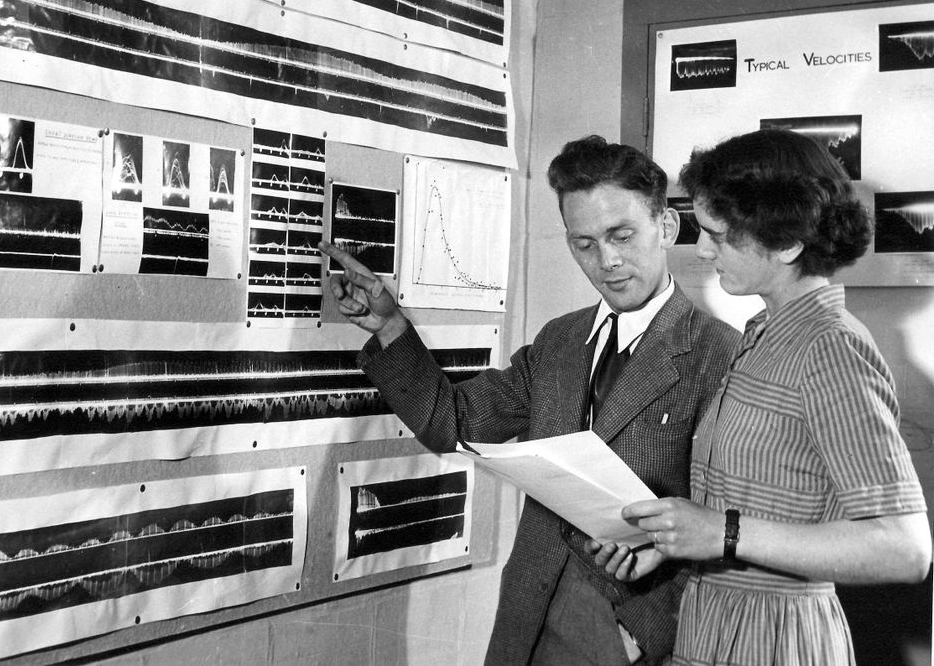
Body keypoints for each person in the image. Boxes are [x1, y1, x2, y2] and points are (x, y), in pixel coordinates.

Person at [320, 134, 740, 665]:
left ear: (667, 227)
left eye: (621, 235)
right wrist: (389, 328)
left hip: (635, 630)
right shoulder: (560, 341)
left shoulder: (720, 353)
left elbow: (736, 526)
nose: (607, 260)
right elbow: (451, 421)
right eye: (584, 243)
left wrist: (643, 638)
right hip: (530, 616)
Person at [588, 129, 932, 665]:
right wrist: (677, 541)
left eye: (719, 236)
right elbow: (758, 504)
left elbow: (904, 548)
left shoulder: (830, 348)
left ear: (787, 242)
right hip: (716, 627)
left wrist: (722, 534)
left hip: (778, 640)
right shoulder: (766, 333)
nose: (701, 250)